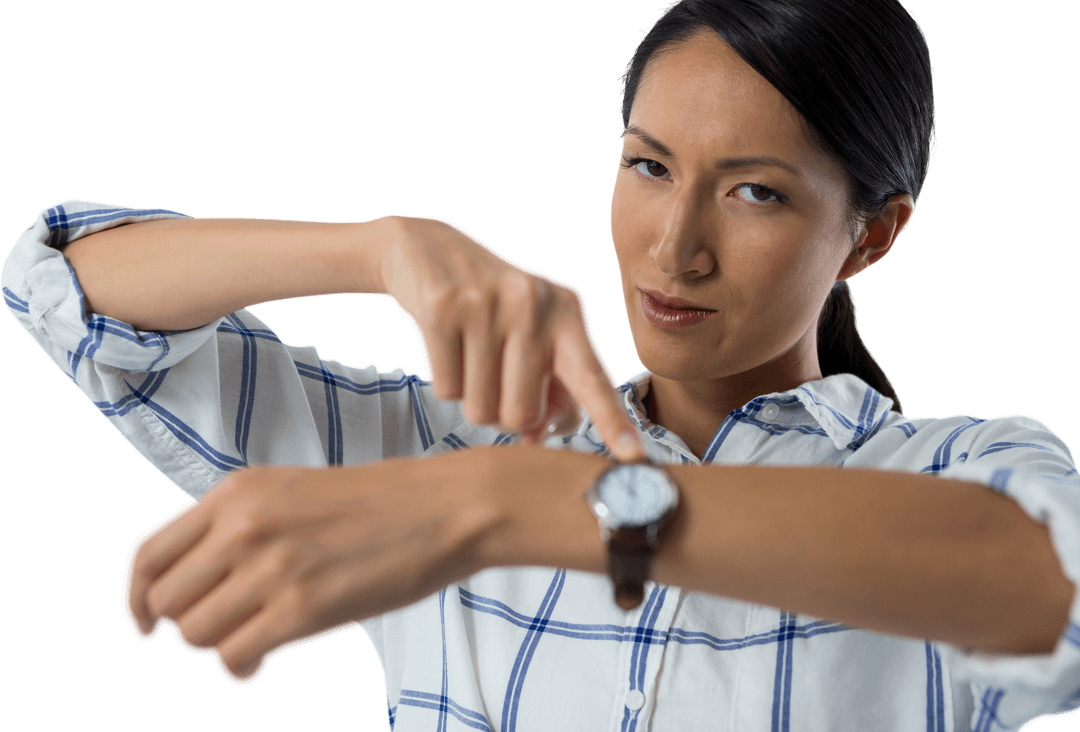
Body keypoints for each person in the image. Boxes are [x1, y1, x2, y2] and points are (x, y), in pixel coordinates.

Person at [3, 0, 1079, 729]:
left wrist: (509, 505)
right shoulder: (440, 454)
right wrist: (378, 248)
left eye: (756, 191)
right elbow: (71, 291)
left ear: (873, 236)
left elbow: (1053, 589)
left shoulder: (953, 475)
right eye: (649, 166)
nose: (674, 248)